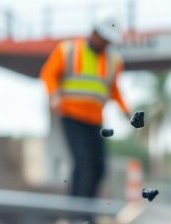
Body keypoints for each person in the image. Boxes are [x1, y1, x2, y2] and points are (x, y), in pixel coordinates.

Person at [39, 15, 131, 204]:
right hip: (72, 115)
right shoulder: (69, 50)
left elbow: (113, 89)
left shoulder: (113, 60)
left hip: (95, 119)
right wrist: (54, 95)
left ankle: (88, 212)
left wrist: (125, 109)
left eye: (108, 41)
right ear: (94, 33)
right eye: (103, 39)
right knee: (83, 162)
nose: (105, 44)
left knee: (99, 167)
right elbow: (49, 73)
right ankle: (76, 211)